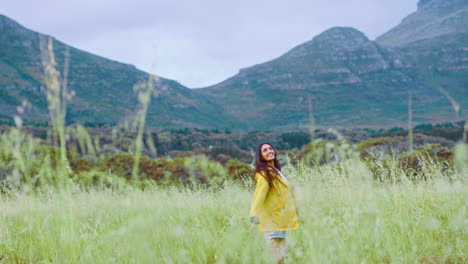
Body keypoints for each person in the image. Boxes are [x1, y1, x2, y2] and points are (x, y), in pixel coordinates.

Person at [249, 143, 299, 264]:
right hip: (271, 219)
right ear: (261, 156)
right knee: (277, 256)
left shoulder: (275, 170)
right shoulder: (263, 174)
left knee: (283, 255)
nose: (269, 151)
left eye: (270, 148)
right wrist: (253, 218)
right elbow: (258, 196)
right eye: (265, 150)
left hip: (280, 218)